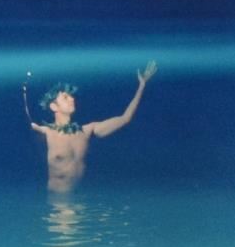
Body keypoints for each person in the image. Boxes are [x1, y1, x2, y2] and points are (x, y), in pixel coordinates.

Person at [29, 61, 157, 192]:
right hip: (57, 201)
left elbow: (125, 118)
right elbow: (30, 127)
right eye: (65, 97)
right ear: (53, 106)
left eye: (71, 96)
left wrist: (142, 86)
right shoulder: (46, 132)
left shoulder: (87, 131)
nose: (72, 99)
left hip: (82, 200)